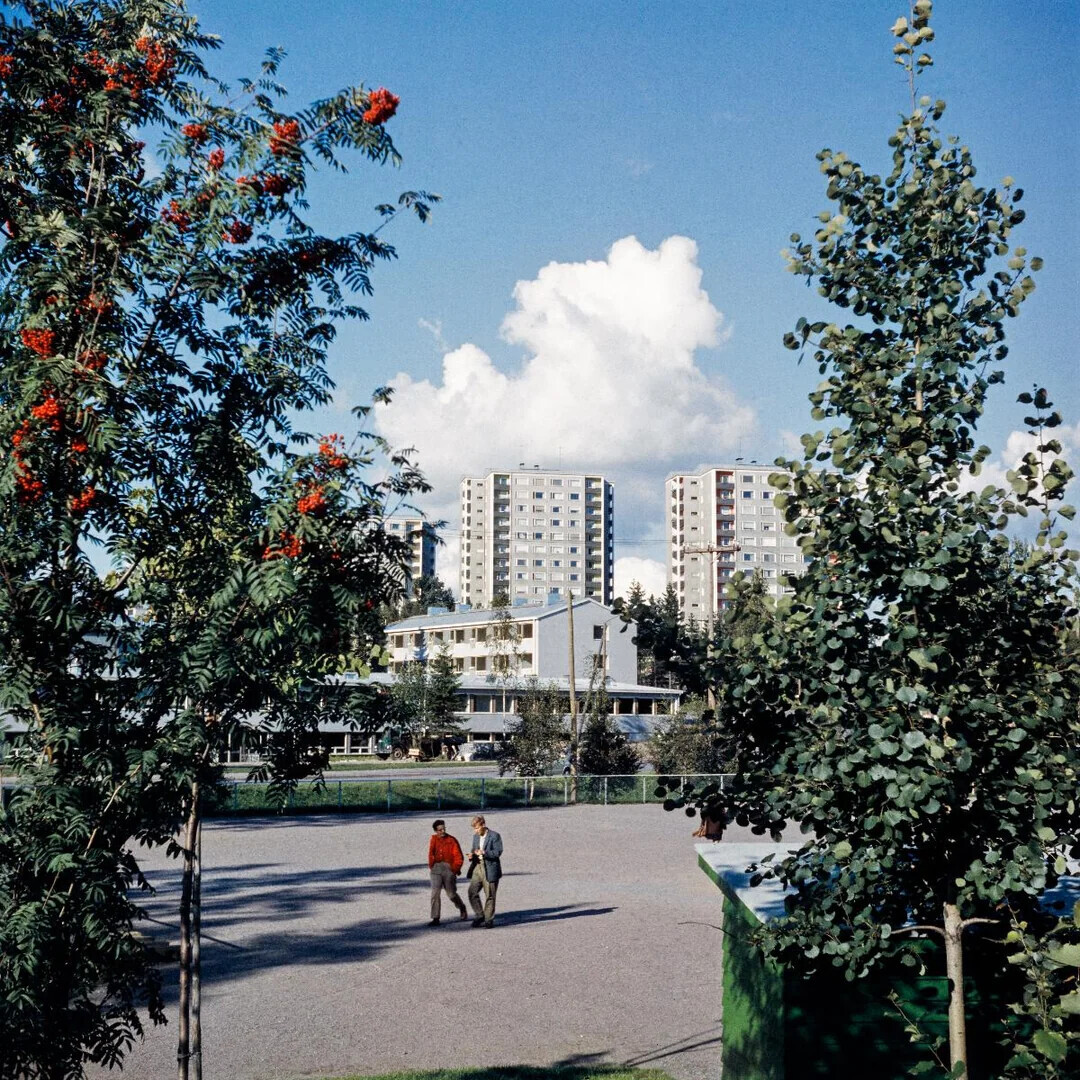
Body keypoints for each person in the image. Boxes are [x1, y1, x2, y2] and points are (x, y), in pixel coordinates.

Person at [427, 819, 467, 926]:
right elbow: (431, 853)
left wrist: (454, 869)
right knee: (435, 892)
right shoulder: (433, 839)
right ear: (436, 831)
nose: (442, 831)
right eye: (440, 829)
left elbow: (459, 856)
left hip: (449, 868)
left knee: (451, 894)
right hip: (436, 868)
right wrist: (432, 865)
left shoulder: (452, 840)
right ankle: (435, 918)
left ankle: (461, 907)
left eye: (444, 828)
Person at [466, 814, 503, 928]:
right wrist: (472, 855)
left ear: (483, 825)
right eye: (474, 828)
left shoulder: (495, 836)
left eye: (477, 828)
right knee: (472, 892)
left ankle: (488, 919)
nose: (476, 831)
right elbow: (474, 849)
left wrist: (484, 853)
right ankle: (479, 914)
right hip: (478, 867)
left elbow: (498, 852)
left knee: (490, 895)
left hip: (490, 868)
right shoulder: (475, 836)